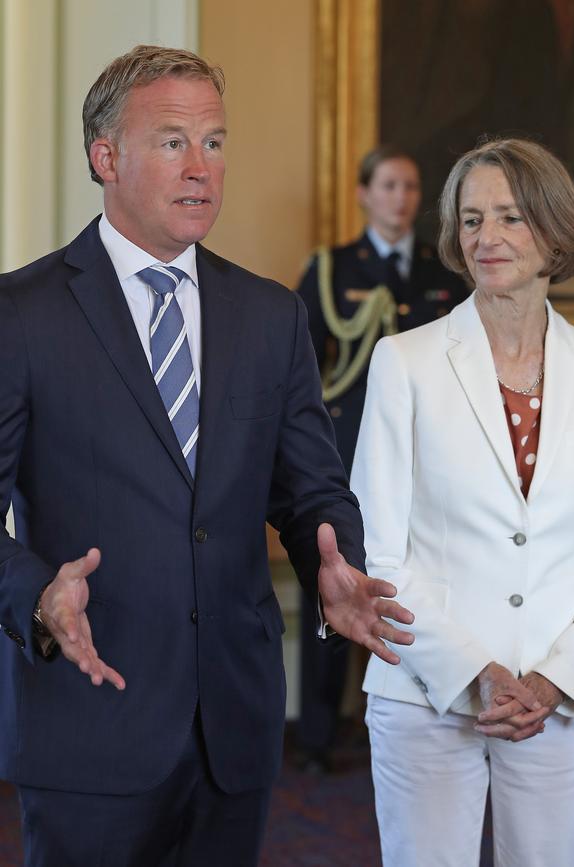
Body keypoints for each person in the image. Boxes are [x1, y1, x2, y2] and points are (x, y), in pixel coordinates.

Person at [0, 45, 414, 867]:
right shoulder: (22, 314)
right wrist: (37, 594)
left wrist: (335, 554)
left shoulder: (270, 315)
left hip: (235, 725)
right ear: (105, 156)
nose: (201, 168)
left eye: (215, 143)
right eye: (173, 142)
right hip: (91, 719)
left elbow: (310, 489)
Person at [351, 137, 574, 867]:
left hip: (562, 699)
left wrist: (554, 680)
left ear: (553, 231)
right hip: (425, 695)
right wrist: (478, 672)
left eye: (511, 217)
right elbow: (381, 553)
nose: (487, 237)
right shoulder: (404, 362)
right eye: (472, 218)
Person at [296, 145, 466, 770]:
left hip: (429, 461)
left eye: (411, 187)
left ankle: (415, 720)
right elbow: (302, 375)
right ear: (365, 193)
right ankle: (316, 739)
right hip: (347, 460)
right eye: (390, 185)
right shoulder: (330, 269)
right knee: (339, 587)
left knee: (415, 591)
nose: (401, 198)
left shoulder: (442, 273)